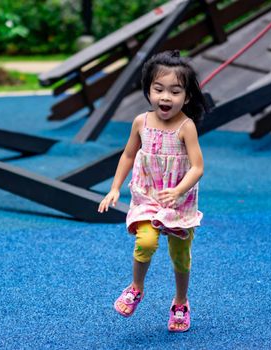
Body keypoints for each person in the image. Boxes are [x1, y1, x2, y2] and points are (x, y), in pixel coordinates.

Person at [98, 50, 208, 332]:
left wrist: (178, 191)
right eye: (158, 89)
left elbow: (197, 167)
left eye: (175, 91)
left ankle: (181, 302)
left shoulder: (186, 127)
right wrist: (114, 188)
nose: (165, 97)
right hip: (147, 195)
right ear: (148, 89)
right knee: (145, 242)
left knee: (180, 255)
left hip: (178, 202)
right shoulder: (141, 122)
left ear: (187, 96)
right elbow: (127, 155)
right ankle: (136, 287)